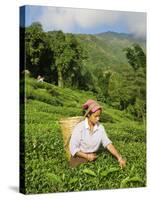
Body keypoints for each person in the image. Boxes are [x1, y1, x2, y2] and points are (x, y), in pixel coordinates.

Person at [69, 99, 126, 168]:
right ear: (88, 115)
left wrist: (119, 158)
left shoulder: (100, 127)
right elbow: (73, 148)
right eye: (95, 116)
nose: (98, 119)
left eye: (99, 116)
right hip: (79, 157)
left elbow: (108, 144)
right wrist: (86, 156)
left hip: (93, 156)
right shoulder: (79, 128)